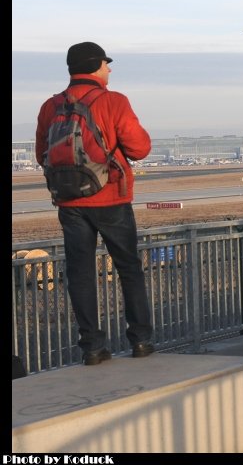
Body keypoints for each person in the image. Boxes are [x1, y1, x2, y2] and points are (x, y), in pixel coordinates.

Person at [35, 42, 155, 366]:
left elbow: (40, 154)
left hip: (70, 202)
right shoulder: (113, 101)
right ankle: (141, 340)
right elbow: (140, 148)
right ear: (96, 66)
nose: (110, 69)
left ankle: (92, 347)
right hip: (111, 197)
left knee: (81, 274)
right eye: (107, 64)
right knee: (128, 268)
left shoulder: (51, 106)